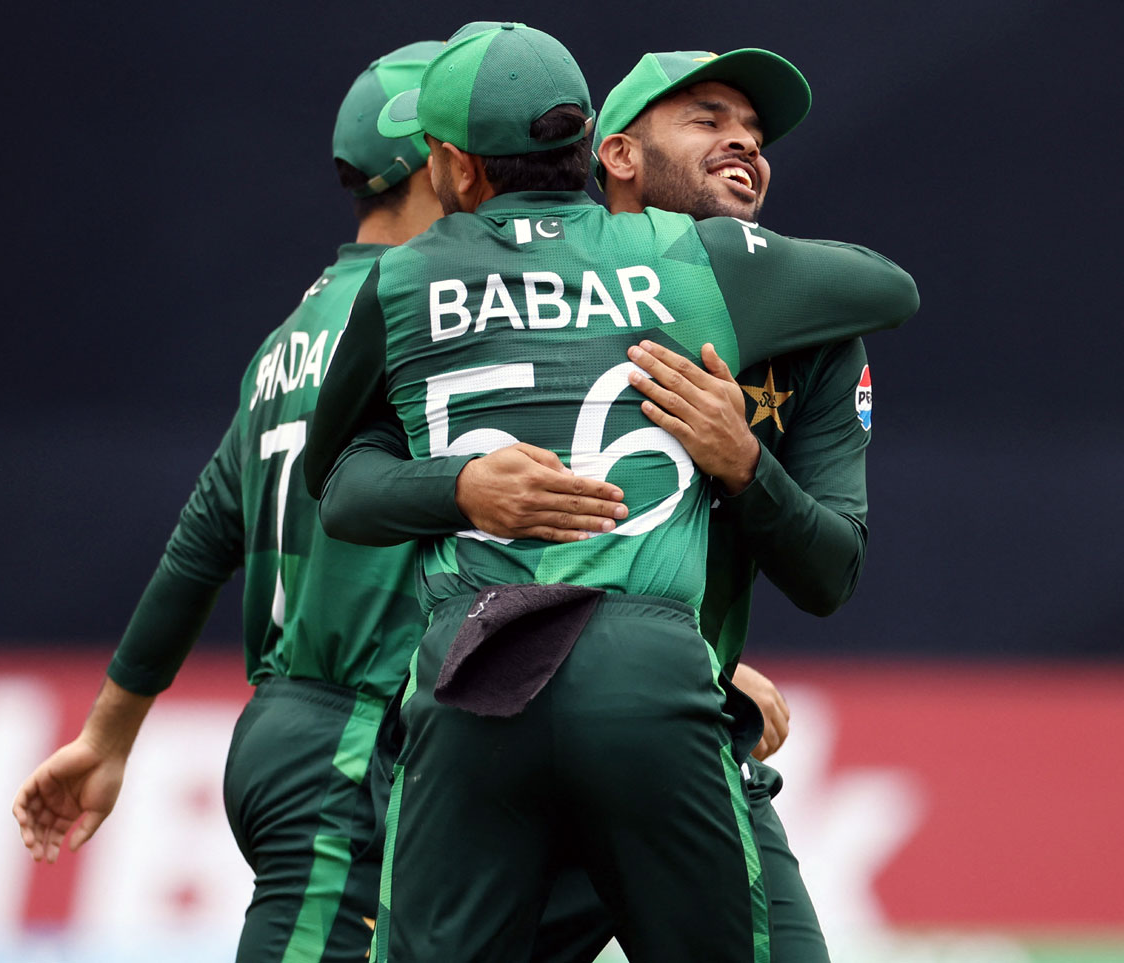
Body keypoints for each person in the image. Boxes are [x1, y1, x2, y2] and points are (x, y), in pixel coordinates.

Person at [303, 21, 917, 963]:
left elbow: (833, 573)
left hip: (655, 718)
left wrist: (744, 464)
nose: (745, 140)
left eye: (755, 129)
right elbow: (351, 494)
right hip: (598, 700)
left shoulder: (811, 328)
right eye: (706, 117)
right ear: (609, 154)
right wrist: (463, 487)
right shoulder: (655, 269)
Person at [11, 41, 453, 963]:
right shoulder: (427, 320)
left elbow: (198, 545)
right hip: (349, 737)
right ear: (439, 161)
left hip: (309, 729)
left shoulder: (287, 338)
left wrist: (107, 733)